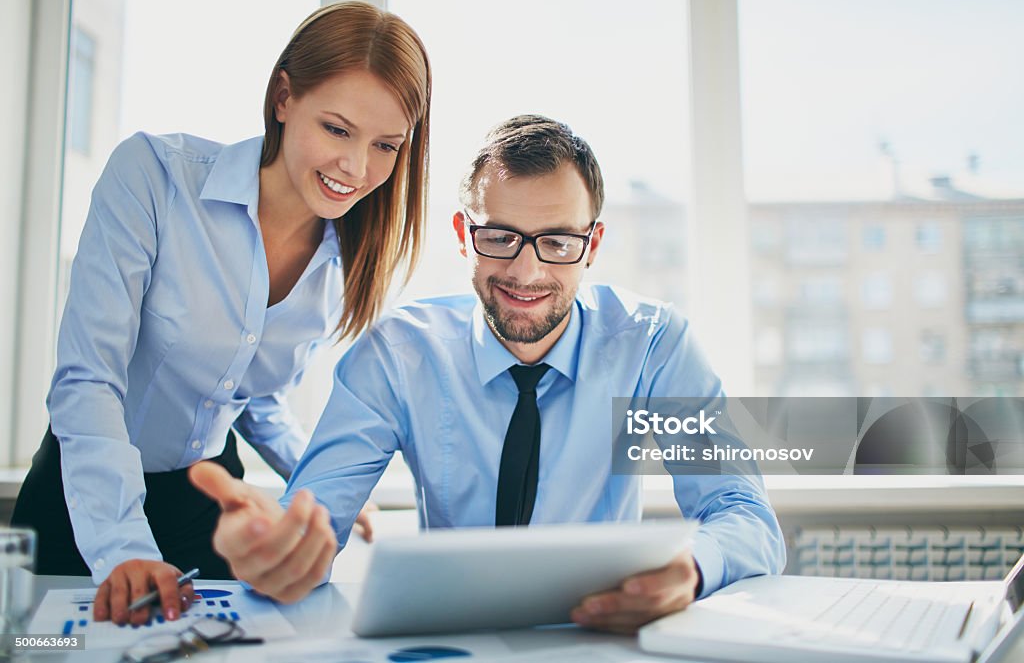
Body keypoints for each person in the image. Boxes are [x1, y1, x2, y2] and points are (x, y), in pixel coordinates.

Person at [191, 115, 786, 633]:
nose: (525, 272)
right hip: (453, 643)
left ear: (593, 244)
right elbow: (315, 519)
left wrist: (692, 566)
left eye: (556, 241)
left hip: (603, 640)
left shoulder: (654, 344)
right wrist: (280, 553)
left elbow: (743, 512)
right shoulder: (398, 354)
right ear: (463, 236)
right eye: (500, 237)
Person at [11, 1, 431, 627]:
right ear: (284, 98)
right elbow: (88, 380)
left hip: (209, 507)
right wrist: (125, 551)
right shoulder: (154, 177)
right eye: (338, 130)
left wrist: (316, 486)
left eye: (386, 146)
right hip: (87, 498)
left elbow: (253, 401)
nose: (357, 168)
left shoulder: (344, 259)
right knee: (51, 650)